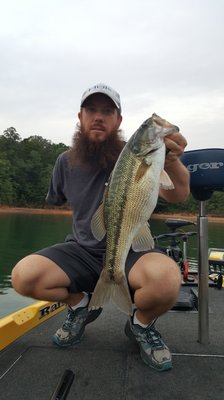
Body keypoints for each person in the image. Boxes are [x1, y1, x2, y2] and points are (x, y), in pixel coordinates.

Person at [11, 83, 190, 372]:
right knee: (23, 277)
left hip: (131, 247)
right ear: (79, 117)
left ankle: (141, 325)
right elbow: (56, 200)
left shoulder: (135, 156)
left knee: (167, 281)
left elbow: (177, 194)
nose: (98, 117)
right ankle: (81, 304)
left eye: (107, 111)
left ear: (119, 121)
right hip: (81, 248)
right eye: (91, 110)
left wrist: (172, 160)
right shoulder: (64, 162)